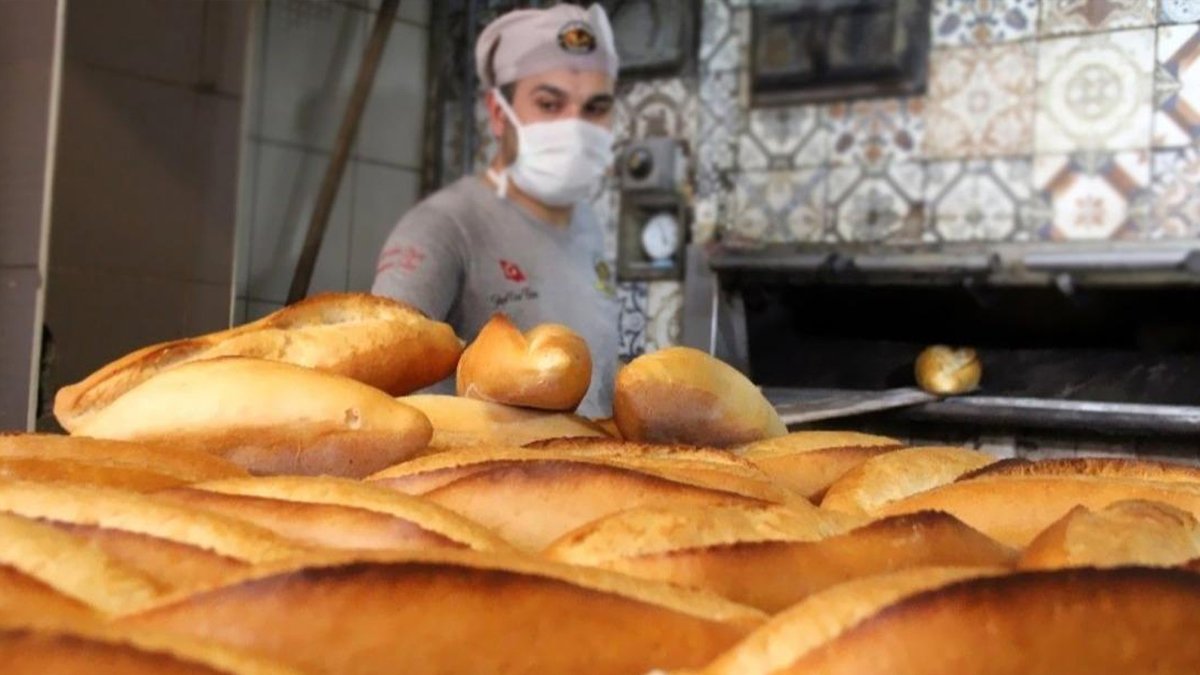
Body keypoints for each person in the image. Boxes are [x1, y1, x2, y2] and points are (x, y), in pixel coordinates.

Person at [371, 4, 620, 419]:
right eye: (549, 104)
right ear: (497, 114)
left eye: (594, 108)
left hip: (586, 473)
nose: (575, 127)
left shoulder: (588, 227)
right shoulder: (444, 227)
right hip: (473, 477)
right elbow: (381, 370)